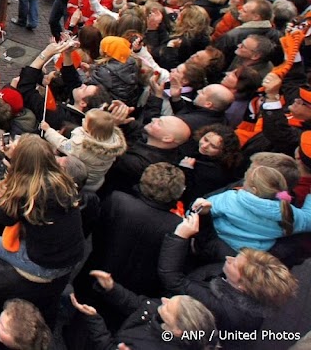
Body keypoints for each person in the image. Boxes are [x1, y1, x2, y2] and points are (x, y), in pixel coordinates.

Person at [159, 213, 299, 336]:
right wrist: (205, 215)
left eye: (234, 263)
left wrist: (179, 236)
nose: (228, 258)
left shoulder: (224, 309)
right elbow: (212, 242)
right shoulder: (242, 268)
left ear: (242, 286)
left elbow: (172, 279)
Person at [0, 135, 85, 281]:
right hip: (73, 254)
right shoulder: (64, 180)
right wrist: (14, 158)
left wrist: (1, 198)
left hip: (47, 265)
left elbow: (4, 218)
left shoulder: (25, 195)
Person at [87, 162, 185, 298]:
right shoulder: (178, 226)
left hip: (97, 270)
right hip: (135, 291)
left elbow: (97, 230)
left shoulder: (117, 200)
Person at [73, 270, 217, 349]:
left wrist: (93, 319)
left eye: (168, 306)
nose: (163, 300)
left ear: (177, 331)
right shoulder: (157, 310)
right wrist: (112, 288)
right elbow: (135, 304)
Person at [39, 108, 126, 191]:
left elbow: (64, 145)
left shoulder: (80, 146)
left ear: (90, 131)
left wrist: (48, 130)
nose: (83, 120)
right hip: (95, 183)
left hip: (81, 182)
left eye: (85, 120)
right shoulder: (113, 143)